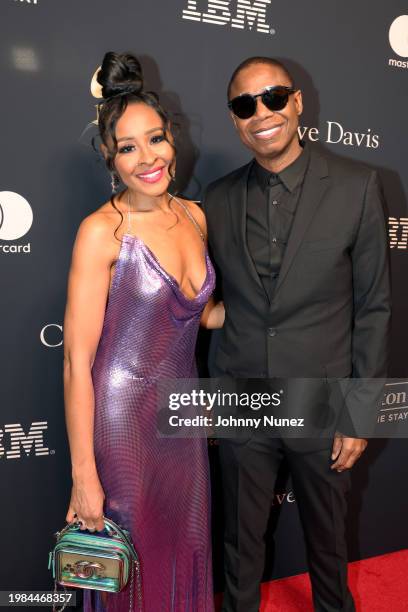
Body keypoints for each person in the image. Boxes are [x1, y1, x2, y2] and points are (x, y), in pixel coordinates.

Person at [202, 57, 391, 611]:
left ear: (297, 101)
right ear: (235, 119)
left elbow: (375, 307)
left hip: (322, 403)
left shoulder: (358, 187)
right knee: (239, 547)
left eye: (274, 97)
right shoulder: (214, 198)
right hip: (242, 403)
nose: (261, 113)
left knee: (329, 547)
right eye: (245, 105)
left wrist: (359, 413)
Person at [63, 51, 222, 611]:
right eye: (129, 147)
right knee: (130, 559)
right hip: (123, 419)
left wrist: (273, 309)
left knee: (184, 542)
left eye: (155, 139)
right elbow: (77, 362)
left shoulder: (195, 216)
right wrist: (84, 476)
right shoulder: (102, 232)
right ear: (111, 156)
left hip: (183, 416)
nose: (147, 158)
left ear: (171, 138)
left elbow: (196, 315)